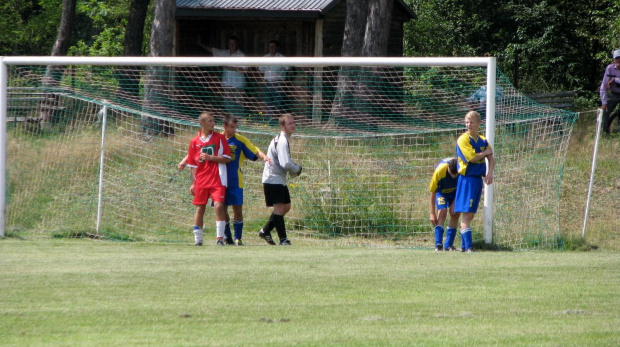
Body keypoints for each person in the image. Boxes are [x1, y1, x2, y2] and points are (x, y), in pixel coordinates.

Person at [221, 114, 272, 245]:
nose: (234, 130)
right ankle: (227, 237)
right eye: (231, 127)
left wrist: (264, 156)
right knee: (221, 208)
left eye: (235, 127)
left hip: (235, 180)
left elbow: (254, 150)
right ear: (225, 126)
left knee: (237, 209)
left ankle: (238, 238)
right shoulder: (218, 139)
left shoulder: (240, 140)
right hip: (219, 180)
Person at [186, 112, 232, 246]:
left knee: (218, 206)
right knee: (200, 208)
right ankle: (198, 239)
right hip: (201, 180)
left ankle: (219, 238)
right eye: (210, 121)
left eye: (213, 121)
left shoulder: (219, 138)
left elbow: (227, 158)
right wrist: (193, 183)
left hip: (217, 179)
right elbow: (193, 165)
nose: (213, 123)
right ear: (202, 123)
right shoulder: (194, 141)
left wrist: (211, 158)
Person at [258, 113, 303, 246]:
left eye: (293, 123)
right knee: (279, 208)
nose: (293, 125)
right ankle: (283, 239)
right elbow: (285, 163)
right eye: (290, 123)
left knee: (286, 206)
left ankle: (265, 231)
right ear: (282, 126)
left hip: (278, 179)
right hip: (273, 179)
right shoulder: (282, 141)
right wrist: (297, 169)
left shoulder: (282, 139)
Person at [454, 111, 495, 252]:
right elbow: (472, 158)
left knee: (470, 214)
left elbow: (491, 157)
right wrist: (485, 153)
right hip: (467, 180)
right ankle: (468, 247)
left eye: (471, 122)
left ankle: (465, 247)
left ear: (479, 124)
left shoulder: (482, 139)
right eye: (466, 122)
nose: (468, 124)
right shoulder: (463, 140)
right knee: (467, 214)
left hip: (477, 180)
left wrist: (489, 173)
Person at [197, 35, 247, 116]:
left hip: (238, 85)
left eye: (234, 43)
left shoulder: (241, 55)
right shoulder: (224, 53)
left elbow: (245, 69)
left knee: (239, 104)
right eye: (230, 43)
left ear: (237, 44)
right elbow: (212, 50)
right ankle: (230, 121)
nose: (232, 45)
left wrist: (232, 68)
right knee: (228, 104)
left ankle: (239, 122)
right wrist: (200, 44)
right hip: (227, 84)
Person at [429, 157, 460, 251]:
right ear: (448, 168)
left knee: (455, 213)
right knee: (442, 212)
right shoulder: (439, 171)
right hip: (441, 192)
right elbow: (432, 192)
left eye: (456, 174)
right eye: (451, 174)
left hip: (455, 192)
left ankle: (448, 245)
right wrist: (432, 213)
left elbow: (462, 188)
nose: (454, 176)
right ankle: (438, 244)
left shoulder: (462, 168)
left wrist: (454, 202)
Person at [258, 40, 291, 116]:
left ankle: (276, 122)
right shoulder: (265, 58)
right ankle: (269, 122)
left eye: (273, 46)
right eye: (270, 46)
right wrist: (262, 81)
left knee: (277, 105)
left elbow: (289, 69)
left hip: (278, 84)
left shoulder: (282, 58)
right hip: (267, 84)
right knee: (268, 104)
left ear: (277, 47)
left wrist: (285, 82)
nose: (271, 48)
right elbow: (260, 71)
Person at [599, 49, 620, 135]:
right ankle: (605, 132)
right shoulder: (610, 68)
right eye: (617, 58)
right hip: (614, 94)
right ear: (614, 60)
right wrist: (604, 102)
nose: (619, 60)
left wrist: (615, 79)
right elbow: (604, 86)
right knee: (605, 111)